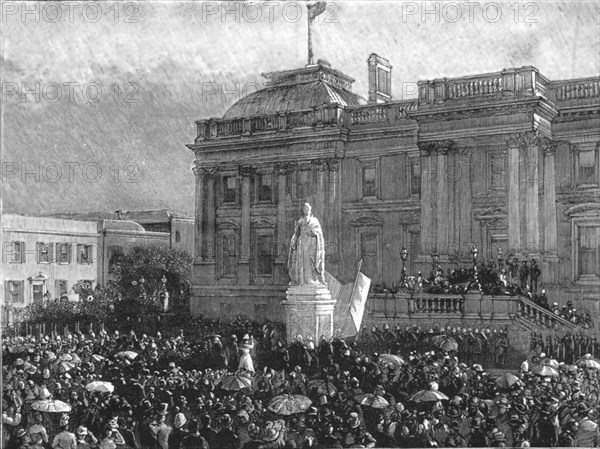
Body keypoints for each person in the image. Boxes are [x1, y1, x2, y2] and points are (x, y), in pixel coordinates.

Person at [288, 203, 325, 286]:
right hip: (301, 243)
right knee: (301, 261)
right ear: (303, 210)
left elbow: (318, 233)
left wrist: (312, 232)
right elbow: (296, 233)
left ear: (310, 210)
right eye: (304, 208)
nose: (306, 210)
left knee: (310, 261)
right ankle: (301, 280)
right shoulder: (300, 221)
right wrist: (293, 241)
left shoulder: (315, 221)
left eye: (307, 208)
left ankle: (311, 279)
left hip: (311, 243)